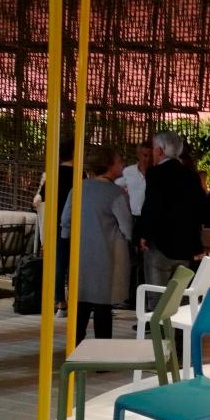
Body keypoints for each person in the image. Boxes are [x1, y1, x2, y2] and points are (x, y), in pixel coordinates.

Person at [59, 145, 131, 345]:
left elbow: (65, 221)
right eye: (119, 161)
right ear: (109, 165)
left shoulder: (78, 188)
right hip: (107, 255)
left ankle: (74, 349)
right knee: (103, 307)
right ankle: (102, 353)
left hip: (80, 255)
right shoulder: (116, 194)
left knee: (80, 304)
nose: (122, 165)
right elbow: (127, 227)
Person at [138, 131, 210, 309]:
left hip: (160, 244)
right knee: (179, 298)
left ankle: (159, 326)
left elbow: (151, 207)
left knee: (158, 299)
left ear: (159, 151)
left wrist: (144, 234)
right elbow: (203, 210)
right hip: (185, 246)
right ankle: (178, 326)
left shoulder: (155, 173)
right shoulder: (191, 175)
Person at [33, 138, 86, 318]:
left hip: (55, 221)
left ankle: (60, 302)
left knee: (59, 262)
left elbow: (42, 196)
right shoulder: (79, 174)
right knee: (75, 263)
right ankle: (75, 300)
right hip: (75, 222)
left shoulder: (53, 173)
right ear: (74, 153)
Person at [115, 140, 153, 309]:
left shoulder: (156, 173)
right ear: (138, 155)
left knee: (146, 260)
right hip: (132, 217)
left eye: (150, 155)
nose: (147, 159)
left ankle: (143, 297)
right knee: (131, 259)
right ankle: (130, 297)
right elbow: (116, 185)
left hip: (149, 219)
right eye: (144, 155)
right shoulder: (128, 172)